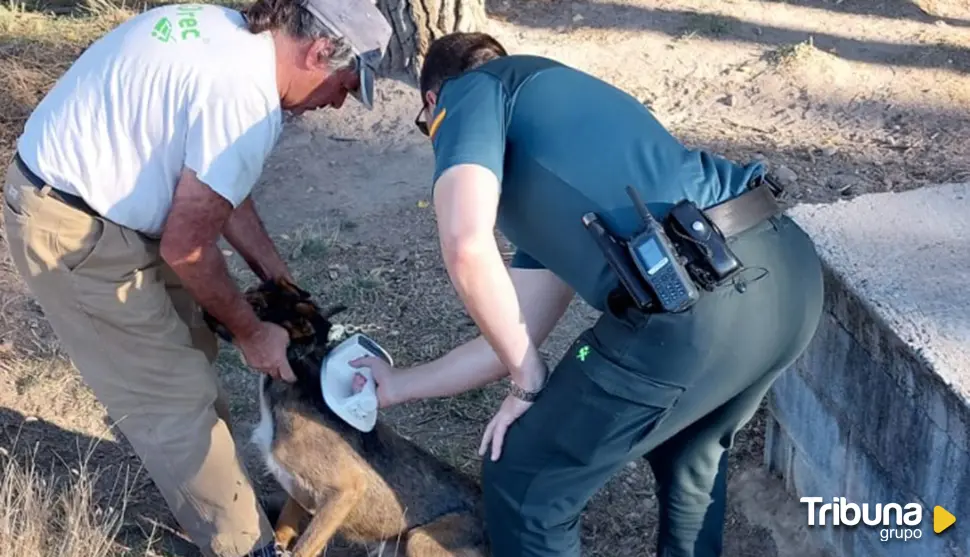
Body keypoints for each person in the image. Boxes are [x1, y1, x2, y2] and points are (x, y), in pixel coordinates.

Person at [353, 32, 825, 557]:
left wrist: (527, 379)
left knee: (524, 479)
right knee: (690, 457)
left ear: (431, 103)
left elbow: (465, 244)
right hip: (789, 277)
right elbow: (511, 334)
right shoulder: (554, 142)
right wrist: (397, 385)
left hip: (697, 304)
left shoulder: (471, 89)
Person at [1, 0, 391, 555]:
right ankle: (245, 546)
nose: (339, 101)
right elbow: (188, 248)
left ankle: (222, 503)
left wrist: (276, 278)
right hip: (72, 229)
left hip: (111, 210)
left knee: (193, 347)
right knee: (173, 396)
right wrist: (256, 336)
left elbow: (219, 191)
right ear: (320, 51)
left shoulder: (233, 40)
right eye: (347, 84)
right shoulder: (242, 97)